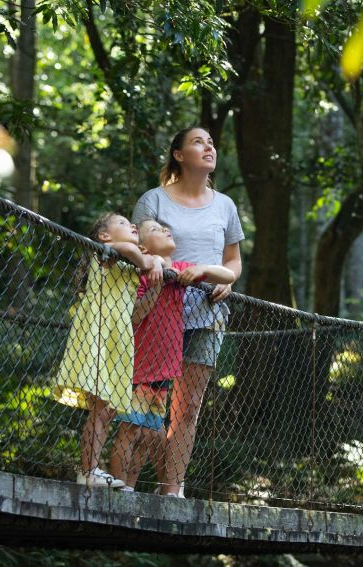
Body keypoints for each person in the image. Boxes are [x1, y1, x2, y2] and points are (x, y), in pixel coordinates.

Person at [132, 127, 244, 497]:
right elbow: (137, 248)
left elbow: (232, 260)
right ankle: (126, 484)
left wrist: (227, 281)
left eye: (211, 141)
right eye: (198, 141)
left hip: (207, 314)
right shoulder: (154, 200)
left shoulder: (225, 205)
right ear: (178, 154)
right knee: (148, 403)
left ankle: (171, 489)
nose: (209, 145)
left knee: (188, 407)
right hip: (158, 311)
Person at [109, 218, 236, 493]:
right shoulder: (141, 271)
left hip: (164, 368)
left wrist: (200, 269)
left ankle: (129, 487)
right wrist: (154, 269)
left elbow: (228, 276)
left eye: (166, 228)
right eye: (156, 230)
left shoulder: (179, 270)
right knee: (130, 429)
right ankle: (116, 486)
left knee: (151, 433)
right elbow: (135, 315)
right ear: (142, 245)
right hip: (139, 364)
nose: (166, 230)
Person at [54, 213, 163, 488]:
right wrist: (149, 261)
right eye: (125, 224)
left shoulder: (129, 267)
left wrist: (154, 286)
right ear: (104, 236)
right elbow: (127, 248)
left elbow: (137, 314)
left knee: (106, 410)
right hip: (98, 333)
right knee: (101, 408)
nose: (133, 227)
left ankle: (90, 470)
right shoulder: (108, 253)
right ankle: (88, 470)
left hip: (118, 339)